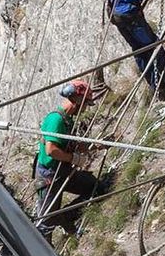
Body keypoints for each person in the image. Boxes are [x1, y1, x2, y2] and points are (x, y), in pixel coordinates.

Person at [34, 80, 109, 221]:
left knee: (96, 188)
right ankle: (56, 221)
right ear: (78, 100)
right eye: (86, 104)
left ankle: (66, 217)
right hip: (50, 175)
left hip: (62, 170)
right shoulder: (56, 120)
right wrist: (73, 159)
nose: (86, 108)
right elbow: (51, 150)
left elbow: (71, 144)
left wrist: (95, 146)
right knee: (46, 221)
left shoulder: (67, 120)